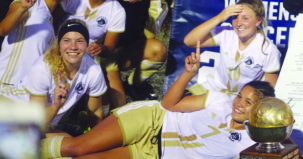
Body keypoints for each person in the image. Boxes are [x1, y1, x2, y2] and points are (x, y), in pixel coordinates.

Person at [41, 44, 276, 159]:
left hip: (154, 154)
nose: (238, 104)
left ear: (261, 112)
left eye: (248, 103)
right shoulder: (220, 100)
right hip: (152, 120)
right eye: (240, 96)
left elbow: (286, 144)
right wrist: (188, 74)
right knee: (77, 147)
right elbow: (169, 105)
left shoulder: (251, 145)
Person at [0, 19, 106, 135]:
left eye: (79, 41)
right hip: (11, 109)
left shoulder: (93, 71)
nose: (73, 47)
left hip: (43, 123)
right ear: (59, 44)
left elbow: (95, 112)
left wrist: (98, 139)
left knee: (74, 144)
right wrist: (56, 105)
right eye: (67, 40)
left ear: (86, 44)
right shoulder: (43, 68)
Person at [183, 0, 280, 96]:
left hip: (239, 99)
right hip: (211, 90)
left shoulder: (268, 49)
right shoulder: (226, 33)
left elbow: (271, 91)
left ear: (258, 21)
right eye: (235, 17)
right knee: (176, 102)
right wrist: (219, 18)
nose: (239, 23)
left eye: (245, 18)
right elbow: (189, 41)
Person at [62, 0, 125, 111]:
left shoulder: (117, 11)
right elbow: (52, 19)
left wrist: (101, 48)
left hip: (89, 54)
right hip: (59, 46)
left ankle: (95, 119)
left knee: (99, 78)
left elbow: (109, 50)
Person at [113, 0, 176, 106]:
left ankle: (133, 84)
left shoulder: (162, 4)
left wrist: (154, 2)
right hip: (105, 49)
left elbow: (150, 36)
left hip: (124, 54)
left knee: (158, 49)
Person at [0, 0, 73, 86]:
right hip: (6, 83)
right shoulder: (32, 2)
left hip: (26, 90)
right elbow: (3, 30)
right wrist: (23, 8)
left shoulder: (51, 22)